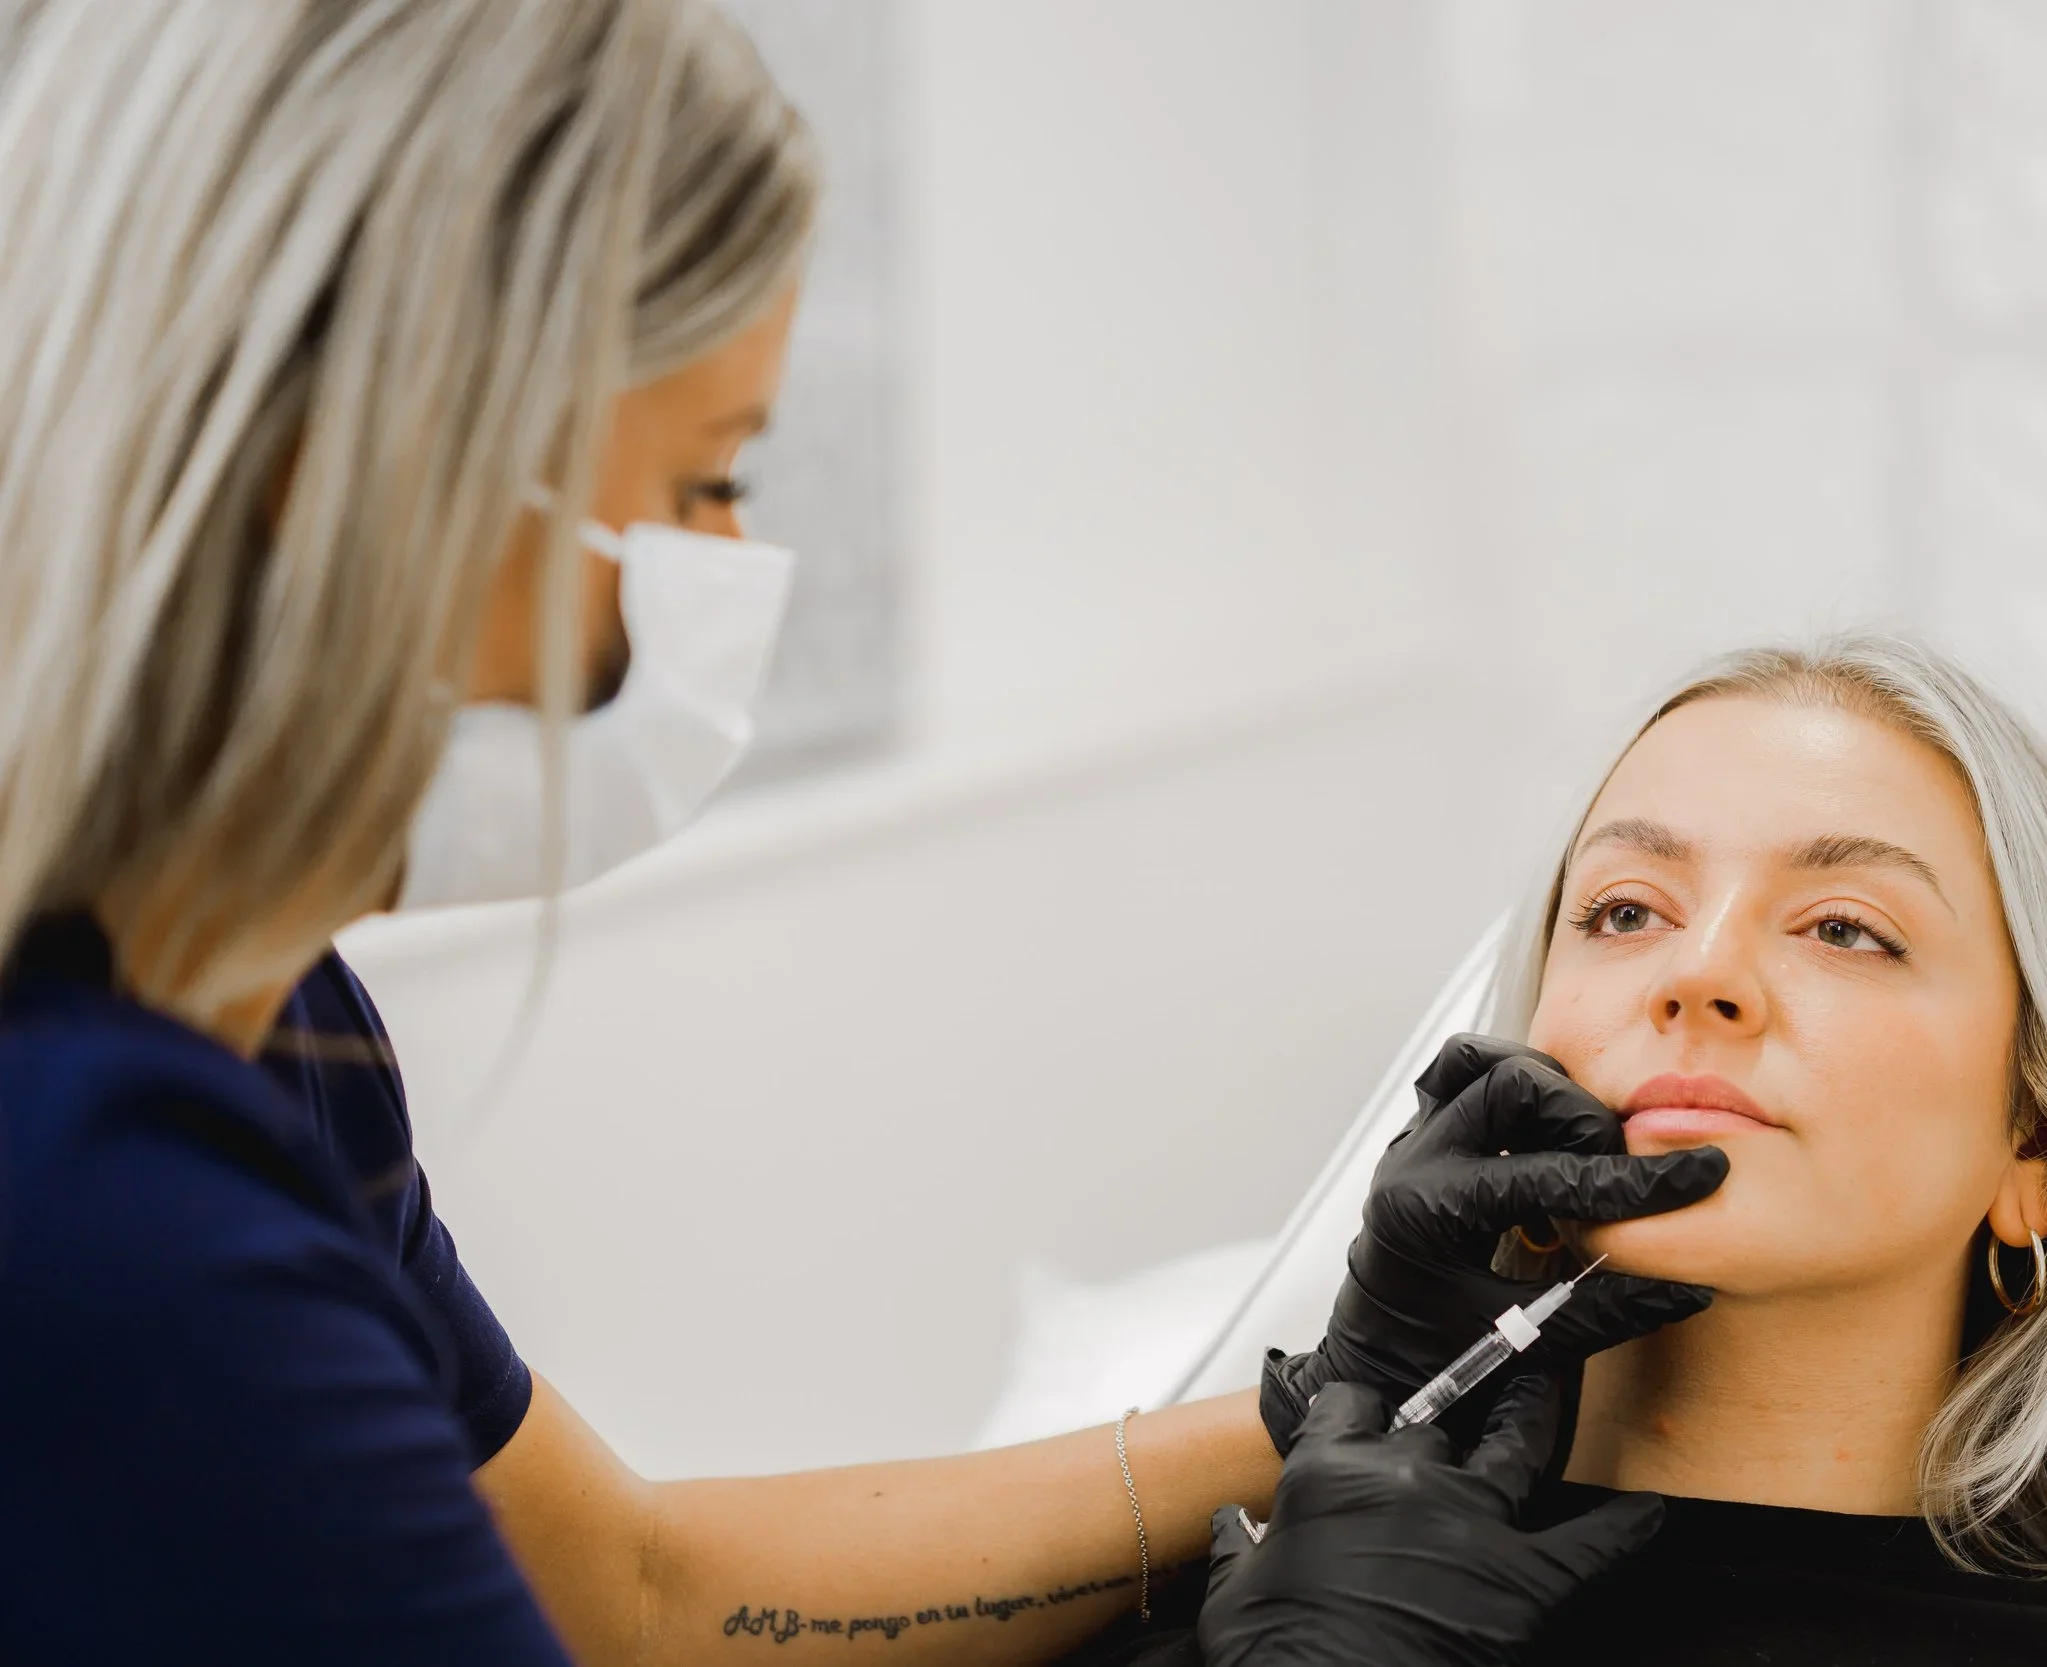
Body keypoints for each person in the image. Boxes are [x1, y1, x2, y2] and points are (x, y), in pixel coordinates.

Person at [0, 3, 1728, 1663]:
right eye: (702, 482)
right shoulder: (108, 1214)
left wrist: (1346, 1402)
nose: (1706, 983)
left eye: (1844, 924)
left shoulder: (273, 1024)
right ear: (355, 472)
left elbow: (630, 1597)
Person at [1118, 636, 2047, 1666]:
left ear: (2037, 1145)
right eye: (1625, 908)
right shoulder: (1248, 1599)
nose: (1699, 969)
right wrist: (1329, 1413)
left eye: (1844, 928)